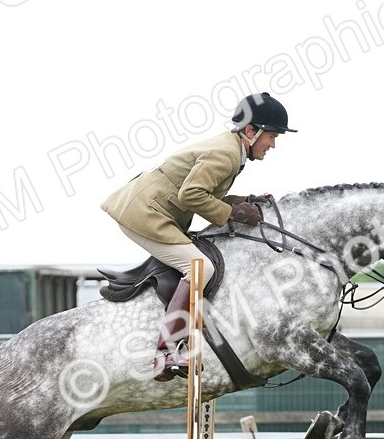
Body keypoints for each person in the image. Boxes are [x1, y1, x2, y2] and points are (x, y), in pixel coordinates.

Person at [101, 91, 297, 381]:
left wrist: (245, 201)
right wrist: (234, 214)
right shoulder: (227, 153)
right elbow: (191, 194)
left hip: (152, 209)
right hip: (143, 213)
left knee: (200, 264)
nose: (273, 145)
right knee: (201, 268)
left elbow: (206, 193)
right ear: (251, 131)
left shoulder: (232, 150)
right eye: (272, 136)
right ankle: (165, 352)